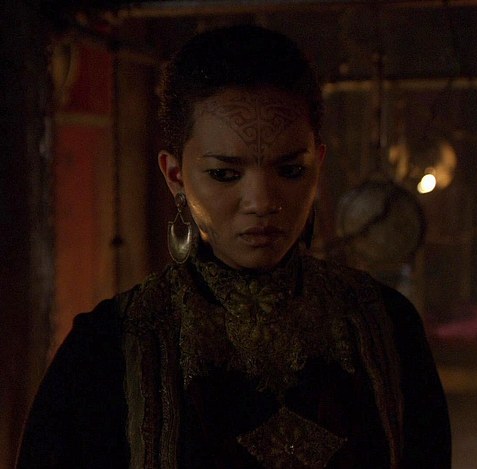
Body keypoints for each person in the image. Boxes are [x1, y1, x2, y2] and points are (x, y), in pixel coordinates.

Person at [17, 24, 451, 468]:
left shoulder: (387, 327)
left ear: (317, 166)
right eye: (225, 174)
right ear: (175, 176)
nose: (261, 202)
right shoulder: (106, 349)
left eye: (290, 171)